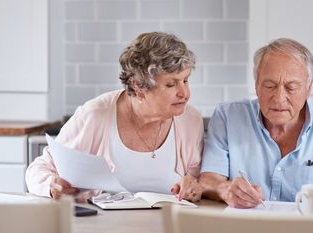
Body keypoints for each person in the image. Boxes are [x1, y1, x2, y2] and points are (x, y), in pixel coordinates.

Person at [26, 32, 203, 202]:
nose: (184, 93)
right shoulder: (95, 115)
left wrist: (196, 187)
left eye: (185, 80)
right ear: (139, 86)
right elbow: (38, 169)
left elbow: (202, 181)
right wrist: (52, 185)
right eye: (171, 84)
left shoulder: (190, 120)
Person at [199, 38, 313, 208]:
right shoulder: (228, 118)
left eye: (291, 87)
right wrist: (225, 189)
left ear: (308, 88)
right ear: (257, 85)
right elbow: (208, 181)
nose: (279, 98)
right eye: (269, 85)